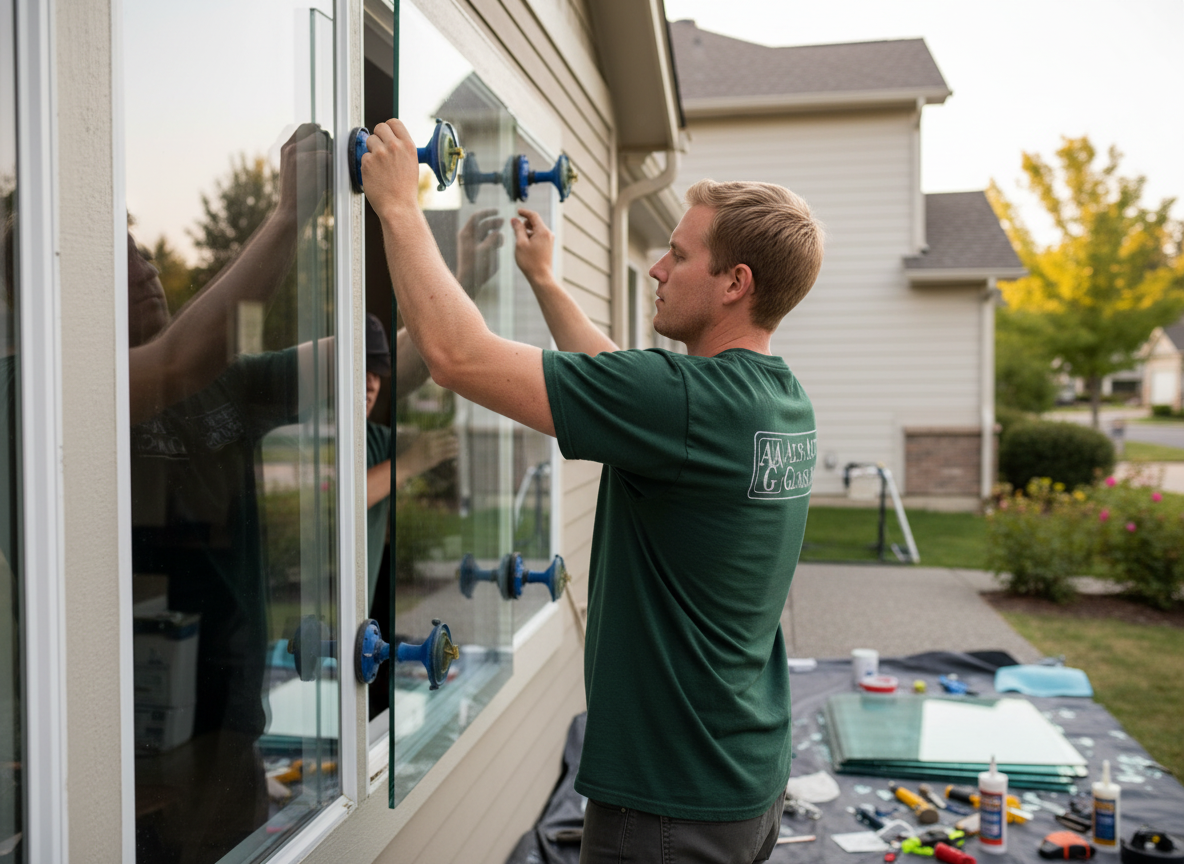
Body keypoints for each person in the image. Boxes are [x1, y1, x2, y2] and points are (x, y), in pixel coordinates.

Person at [360, 118, 824, 864]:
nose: (658, 269)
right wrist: (544, 280)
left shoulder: (687, 401)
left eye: (679, 254)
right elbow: (620, 384)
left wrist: (398, 207)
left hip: (668, 802)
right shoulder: (777, 400)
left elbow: (455, 357)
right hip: (744, 776)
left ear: (736, 282)